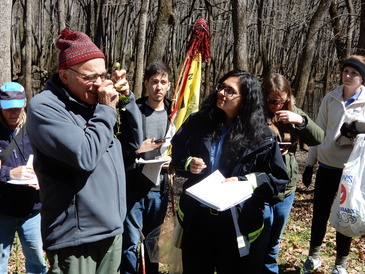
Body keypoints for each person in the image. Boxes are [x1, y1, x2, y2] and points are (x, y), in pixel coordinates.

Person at [26, 28, 142, 273]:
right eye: (91, 77)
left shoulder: (94, 104)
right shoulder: (44, 107)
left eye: (103, 76)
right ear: (65, 75)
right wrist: (106, 110)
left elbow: (135, 144)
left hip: (112, 229)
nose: (100, 84)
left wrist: (127, 100)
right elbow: (85, 156)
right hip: (76, 238)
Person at [171, 70, 290, 273]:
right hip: (197, 218)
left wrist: (247, 181)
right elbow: (178, 152)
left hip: (238, 223)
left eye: (230, 90)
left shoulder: (261, 135)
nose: (222, 93)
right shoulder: (199, 122)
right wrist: (188, 162)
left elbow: (278, 179)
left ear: (245, 99)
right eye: (221, 87)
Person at [248, 73, 324, 273]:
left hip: (286, 187)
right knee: (260, 238)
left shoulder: (292, 111)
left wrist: (299, 120)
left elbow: (319, 138)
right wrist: (268, 149)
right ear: (264, 97)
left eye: (282, 100)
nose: (277, 105)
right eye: (272, 101)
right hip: (262, 186)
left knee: (274, 240)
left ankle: (270, 269)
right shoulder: (254, 113)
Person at [302, 55, 365, 274]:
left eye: (354, 73)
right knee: (319, 213)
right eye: (346, 71)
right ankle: (313, 257)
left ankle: (340, 265)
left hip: (350, 171)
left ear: (362, 78)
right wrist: (310, 164)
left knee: (344, 216)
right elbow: (317, 133)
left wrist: (357, 132)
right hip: (327, 166)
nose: (348, 76)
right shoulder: (330, 99)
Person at [120, 61, 174, 273]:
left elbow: (183, 147)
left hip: (160, 189)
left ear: (169, 85)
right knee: (131, 243)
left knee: (153, 242)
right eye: (154, 82)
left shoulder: (175, 112)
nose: (158, 87)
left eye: (162, 82)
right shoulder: (134, 111)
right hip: (134, 187)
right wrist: (137, 150)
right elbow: (119, 147)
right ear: (146, 84)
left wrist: (175, 160)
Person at [0, 82, 47, 274]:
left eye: (18, 108)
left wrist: (42, 179)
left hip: (32, 210)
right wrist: (8, 174)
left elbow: (51, 162)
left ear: (25, 103)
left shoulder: (37, 128)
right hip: (2, 210)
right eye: (8, 109)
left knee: (37, 261)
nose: (14, 113)